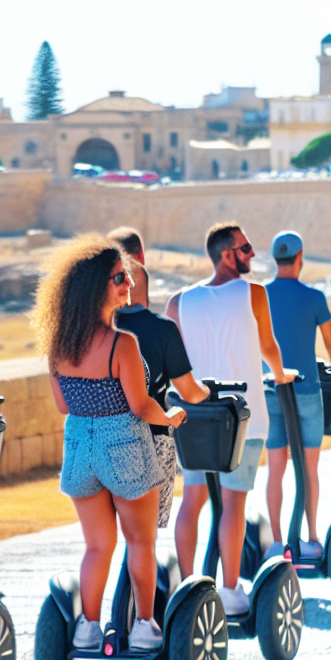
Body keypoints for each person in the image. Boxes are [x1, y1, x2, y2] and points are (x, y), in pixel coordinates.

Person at [32, 233, 187, 652]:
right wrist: (171, 417)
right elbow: (141, 405)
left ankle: (88, 626)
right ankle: (143, 626)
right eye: (119, 277)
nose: (129, 283)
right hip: (125, 445)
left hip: (80, 445)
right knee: (141, 541)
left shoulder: (58, 346)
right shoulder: (123, 343)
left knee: (97, 545)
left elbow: (64, 405)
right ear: (97, 287)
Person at [167, 222, 295, 616]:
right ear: (227, 254)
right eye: (245, 248)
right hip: (242, 417)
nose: (253, 254)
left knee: (192, 500)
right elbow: (268, 346)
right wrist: (280, 373)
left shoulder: (178, 302)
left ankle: (187, 588)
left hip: (194, 417)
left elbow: (173, 362)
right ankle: (229, 588)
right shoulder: (253, 293)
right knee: (234, 503)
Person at [108, 227, 210, 529]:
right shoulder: (163, 330)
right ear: (140, 260)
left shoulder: (96, 332)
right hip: (150, 442)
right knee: (143, 539)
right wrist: (207, 393)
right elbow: (189, 392)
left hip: (102, 443)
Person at [263, 230, 331, 557]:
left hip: (271, 389)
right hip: (306, 393)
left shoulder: (260, 295)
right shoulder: (314, 297)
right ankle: (312, 539)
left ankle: (276, 542)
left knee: (275, 469)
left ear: (276, 259)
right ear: (300, 258)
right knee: (308, 469)